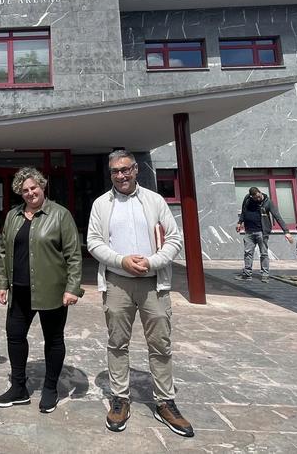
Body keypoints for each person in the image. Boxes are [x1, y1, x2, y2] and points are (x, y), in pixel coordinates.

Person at [86, 149, 194, 438]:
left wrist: (153, 261)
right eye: (115, 172)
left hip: (153, 284)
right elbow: (94, 242)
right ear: (110, 174)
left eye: (126, 169)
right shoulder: (101, 204)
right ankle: (120, 398)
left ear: (135, 169)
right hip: (117, 282)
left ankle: (165, 401)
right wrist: (121, 260)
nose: (121, 175)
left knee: (160, 343)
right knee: (117, 343)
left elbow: (174, 238)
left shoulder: (154, 200)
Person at [0, 167, 84, 413]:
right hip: (19, 291)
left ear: (42, 187)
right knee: (14, 335)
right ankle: (19, 388)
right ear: (19, 193)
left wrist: (72, 287)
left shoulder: (60, 215)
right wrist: (2, 283)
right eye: (25, 190)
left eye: (34, 187)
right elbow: (3, 252)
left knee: (53, 340)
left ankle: (50, 388)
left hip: (51, 290)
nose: (30, 192)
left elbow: (74, 255)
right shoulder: (13, 216)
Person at [234, 187, 287, 283]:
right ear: (251, 196)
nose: (258, 199)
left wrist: (286, 232)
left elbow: (277, 216)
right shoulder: (247, 199)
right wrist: (240, 222)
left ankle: (265, 274)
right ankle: (247, 274)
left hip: (262, 232)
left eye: (258, 197)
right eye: (255, 198)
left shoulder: (268, 202)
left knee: (264, 253)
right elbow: (243, 212)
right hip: (249, 231)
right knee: (248, 253)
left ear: (260, 192)